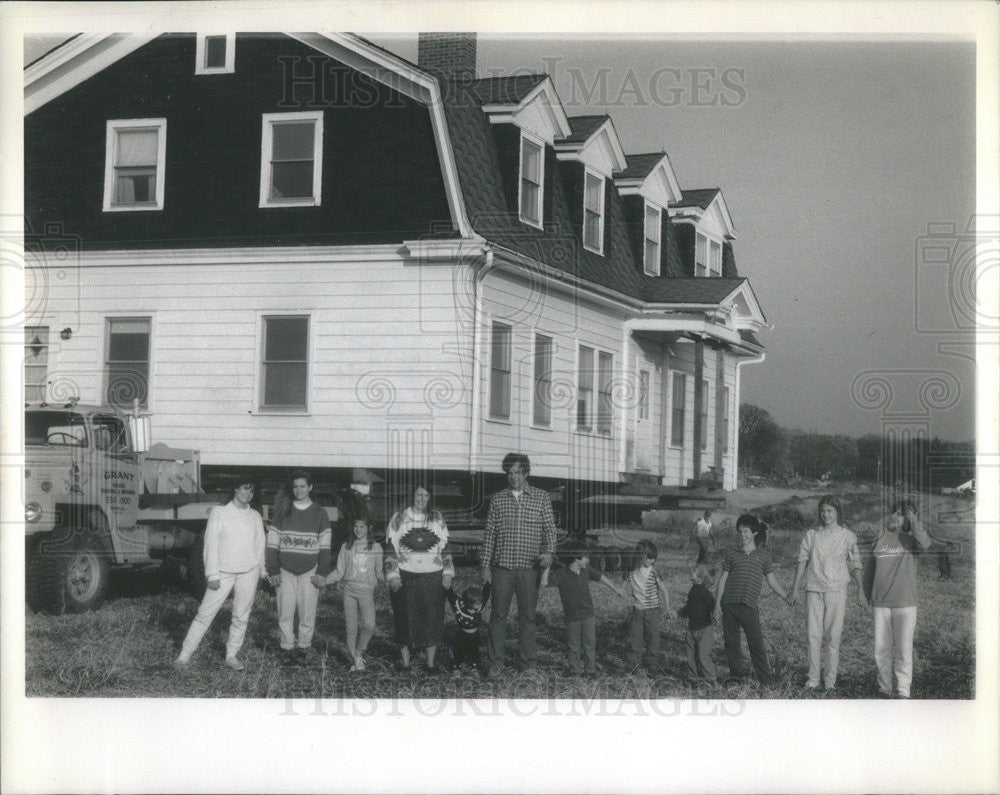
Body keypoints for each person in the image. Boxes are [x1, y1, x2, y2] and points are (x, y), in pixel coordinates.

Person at [480, 452, 558, 676]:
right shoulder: (498, 499)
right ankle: (496, 662)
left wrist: (549, 553)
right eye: (509, 473)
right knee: (497, 617)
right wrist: (485, 565)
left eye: (517, 472)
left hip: (528, 569)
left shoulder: (541, 498)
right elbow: (490, 535)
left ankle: (528, 664)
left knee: (527, 618)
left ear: (526, 473)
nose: (513, 477)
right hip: (502, 569)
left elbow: (550, 531)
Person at [175, 481, 265, 671]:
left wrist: (261, 570)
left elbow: (260, 546)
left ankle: (231, 655)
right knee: (204, 614)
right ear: (235, 488)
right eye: (244, 488)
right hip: (222, 573)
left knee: (241, 616)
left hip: (249, 572)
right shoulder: (219, 512)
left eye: (251, 490)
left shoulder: (255, 516)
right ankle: (184, 655)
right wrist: (212, 574)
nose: (247, 493)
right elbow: (211, 544)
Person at [788, 496, 865, 692]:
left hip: (837, 591)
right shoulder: (811, 535)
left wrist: (861, 592)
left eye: (830, 511)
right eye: (823, 511)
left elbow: (855, 565)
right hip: (814, 590)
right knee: (813, 636)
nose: (826, 515)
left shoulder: (848, 536)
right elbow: (802, 561)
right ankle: (813, 679)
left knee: (833, 637)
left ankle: (830, 681)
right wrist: (795, 588)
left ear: (837, 512)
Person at [864, 499, 931, 698]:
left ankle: (903, 690)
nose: (896, 517)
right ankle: (884, 688)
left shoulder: (911, 541)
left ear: (907, 520)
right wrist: (865, 595)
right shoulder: (879, 539)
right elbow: (870, 571)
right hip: (881, 603)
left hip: (905, 603)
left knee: (903, 649)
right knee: (881, 649)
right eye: (894, 512)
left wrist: (913, 520)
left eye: (901, 514)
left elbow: (926, 544)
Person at [713, 514, 790, 686]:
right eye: (740, 532)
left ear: (754, 533)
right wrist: (717, 604)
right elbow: (723, 579)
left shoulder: (763, 555)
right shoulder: (732, 553)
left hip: (748, 606)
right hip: (729, 605)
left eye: (746, 531)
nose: (742, 535)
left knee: (756, 644)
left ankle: (766, 681)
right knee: (732, 644)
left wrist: (786, 597)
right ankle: (736, 678)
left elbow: (772, 581)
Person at [385, 483, 454, 672]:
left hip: (433, 576)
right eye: (418, 495)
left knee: (432, 619)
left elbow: (446, 548)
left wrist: (447, 573)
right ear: (411, 496)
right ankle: (405, 664)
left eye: (425, 495)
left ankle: (430, 664)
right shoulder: (399, 518)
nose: (421, 499)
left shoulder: (437, 518)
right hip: (406, 576)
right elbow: (390, 548)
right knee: (404, 617)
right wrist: (392, 576)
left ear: (430, 497)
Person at [265, 470, 332, 662]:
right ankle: (286, 647)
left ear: (310, 487)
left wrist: (321, 572)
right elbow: (272, 543)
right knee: (285, 611)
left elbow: (325, 546)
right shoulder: (282, 510)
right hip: (285, 571)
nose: (299, 490)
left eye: (303, 486)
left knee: (307, 611)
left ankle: (303, 647)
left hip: (309, 571)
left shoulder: (320, 513)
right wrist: (273, 570)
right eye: (295, 487)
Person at [541, 541, 624, 676]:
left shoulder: (586, 570)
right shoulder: (561, 574)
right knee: (573, 646)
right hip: (572, 617)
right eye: (585, 557)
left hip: (588, 615)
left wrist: (615, 588)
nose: (588, 560)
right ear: (576, 558)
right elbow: (544, 583)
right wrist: (547, 567)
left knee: (589, 645)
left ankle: (590, 671)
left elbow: (600, 577)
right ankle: (574, 670)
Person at [323, 517, 384, 671]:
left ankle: (359, 650)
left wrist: (391, 577)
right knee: (351, 626)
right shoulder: (346, 546)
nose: (358, 530)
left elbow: (379, 571)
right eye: (356, 526)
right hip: (349, 589)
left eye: (362, 527)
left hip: (366, 591)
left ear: (369, 528)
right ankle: (354, 658)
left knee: (369, 624)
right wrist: (324, 581)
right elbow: (340, 571)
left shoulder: (376, 547)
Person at [623, 539, 674, 672]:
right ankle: (633, 665)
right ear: (641, 555)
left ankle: (652, 664)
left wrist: (667, 608)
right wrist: (621, 592)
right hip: (638, 611)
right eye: (650, 558)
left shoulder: (654, 571)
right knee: (635, 638)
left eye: (654, 558)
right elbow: (623, 586)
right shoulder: (632, 572)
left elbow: (663, 590)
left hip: (652, 611)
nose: (652, 560)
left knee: (653, 639)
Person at [677, 563, 718, 684]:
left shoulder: (705, 593)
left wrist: (716, 617)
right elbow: (690, 607)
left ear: (700, 578)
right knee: (690, 654)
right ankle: (692, 677)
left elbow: (713, 607)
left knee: (703, 655)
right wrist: (679, 613)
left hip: (704, 629)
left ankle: (710, 679)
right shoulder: (692, 591)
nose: (691, 571)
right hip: (692, 628)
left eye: (694, 571)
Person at [445, 583, 491, 669]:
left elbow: (486, 594)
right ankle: (457, 667)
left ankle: (473, 666)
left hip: (475, 635)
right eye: (477, 604)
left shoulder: (479, 606)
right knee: (459, 651)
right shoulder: (459, 607)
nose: (480, 606)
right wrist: (448, 588)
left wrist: (488, 583)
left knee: (474, 652)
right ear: (467, 603)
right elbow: (451, 597)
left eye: (480, 603)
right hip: (462, 635)